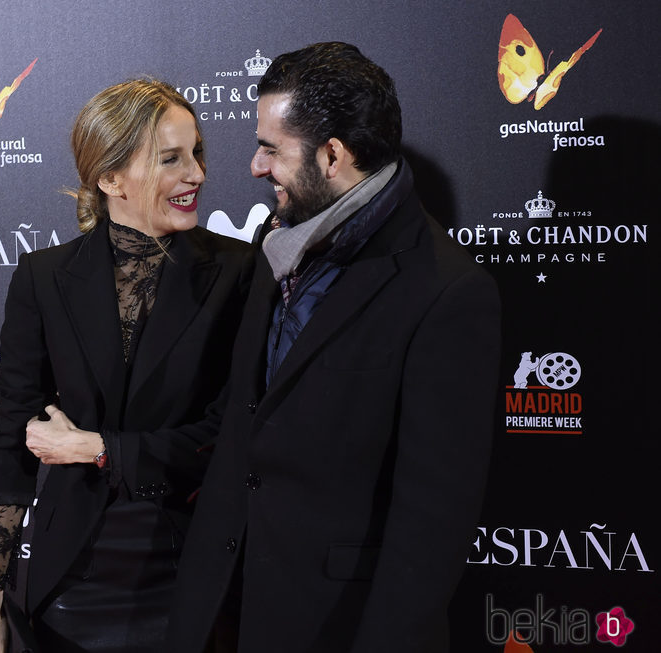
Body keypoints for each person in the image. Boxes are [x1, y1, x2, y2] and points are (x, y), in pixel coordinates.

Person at [167, 42, 501, 652]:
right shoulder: (283, 241)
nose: (255, 167)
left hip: (333, 626)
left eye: (271, 149)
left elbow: (432, 525)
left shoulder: (447, 292)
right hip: (221, 609)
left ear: (332, 155)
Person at [0, 79, 253, 653]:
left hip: (192, 568)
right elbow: (12, 440)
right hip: (74, 574)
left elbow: (232, 435)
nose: (196, 174)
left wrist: (100, 448)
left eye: (196, 153)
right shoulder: (43, 278)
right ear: (108, 178)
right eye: (171, 159)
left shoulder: (240, 272)